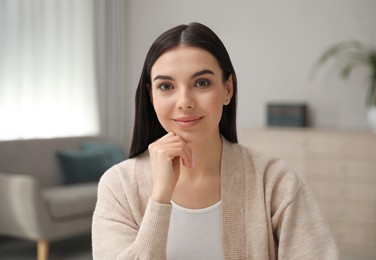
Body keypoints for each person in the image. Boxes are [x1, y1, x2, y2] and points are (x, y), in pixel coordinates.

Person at [92, 22, 339, 259]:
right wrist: (160, 197)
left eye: (202, 83)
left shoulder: (274, 181)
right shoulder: (118, 186)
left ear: (227, 89)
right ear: (151, 95)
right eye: (166, 86)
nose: (184, 101)